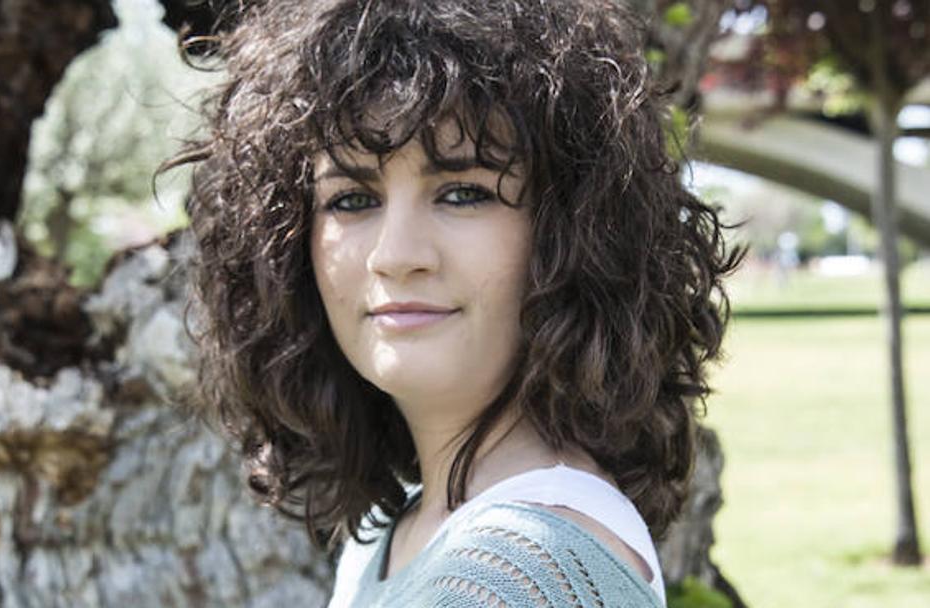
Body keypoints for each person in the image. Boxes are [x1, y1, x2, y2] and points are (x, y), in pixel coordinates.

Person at [163, 0, 745, 606]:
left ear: (574, 234)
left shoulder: (515, 574)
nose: (396, 255)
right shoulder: (398, 533)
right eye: (352, 200)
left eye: (464, 192)